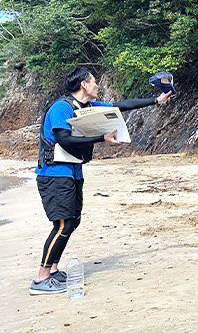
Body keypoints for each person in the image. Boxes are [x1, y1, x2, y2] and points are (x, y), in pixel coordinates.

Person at [30, 66, 173, 295]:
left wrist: (156, 100)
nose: (97, 85)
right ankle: (41, 278)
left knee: (72, 222)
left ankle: (54, 270)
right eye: (94, 81)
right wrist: (102, 138)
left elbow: (121, 106)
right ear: (84, 85)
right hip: (53, 176)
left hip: (72, 174)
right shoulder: (61, 108)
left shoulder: (86, 107)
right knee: (63, 224)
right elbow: (65, 140)